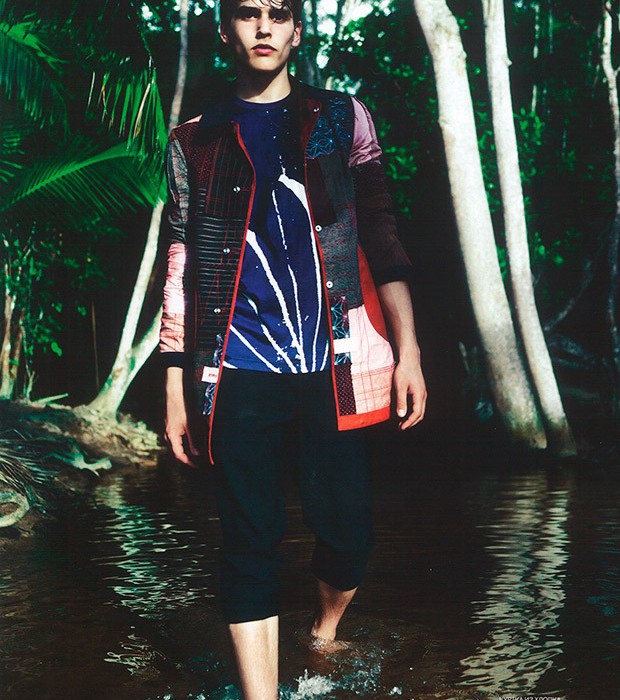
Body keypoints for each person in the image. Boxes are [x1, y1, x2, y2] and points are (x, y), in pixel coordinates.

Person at [159, 1, 427, 697]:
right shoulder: (193, 139)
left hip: (335, 361)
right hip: (237, 365)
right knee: (249, 539)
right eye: (248, 13)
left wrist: (410, 352)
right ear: (226, 29)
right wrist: (174, 385)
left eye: (278, 13)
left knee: (348, 532)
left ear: (297, 30)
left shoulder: (343, 117)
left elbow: (381, 235)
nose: (263, 26)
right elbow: (182, 260)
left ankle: (324, 632)